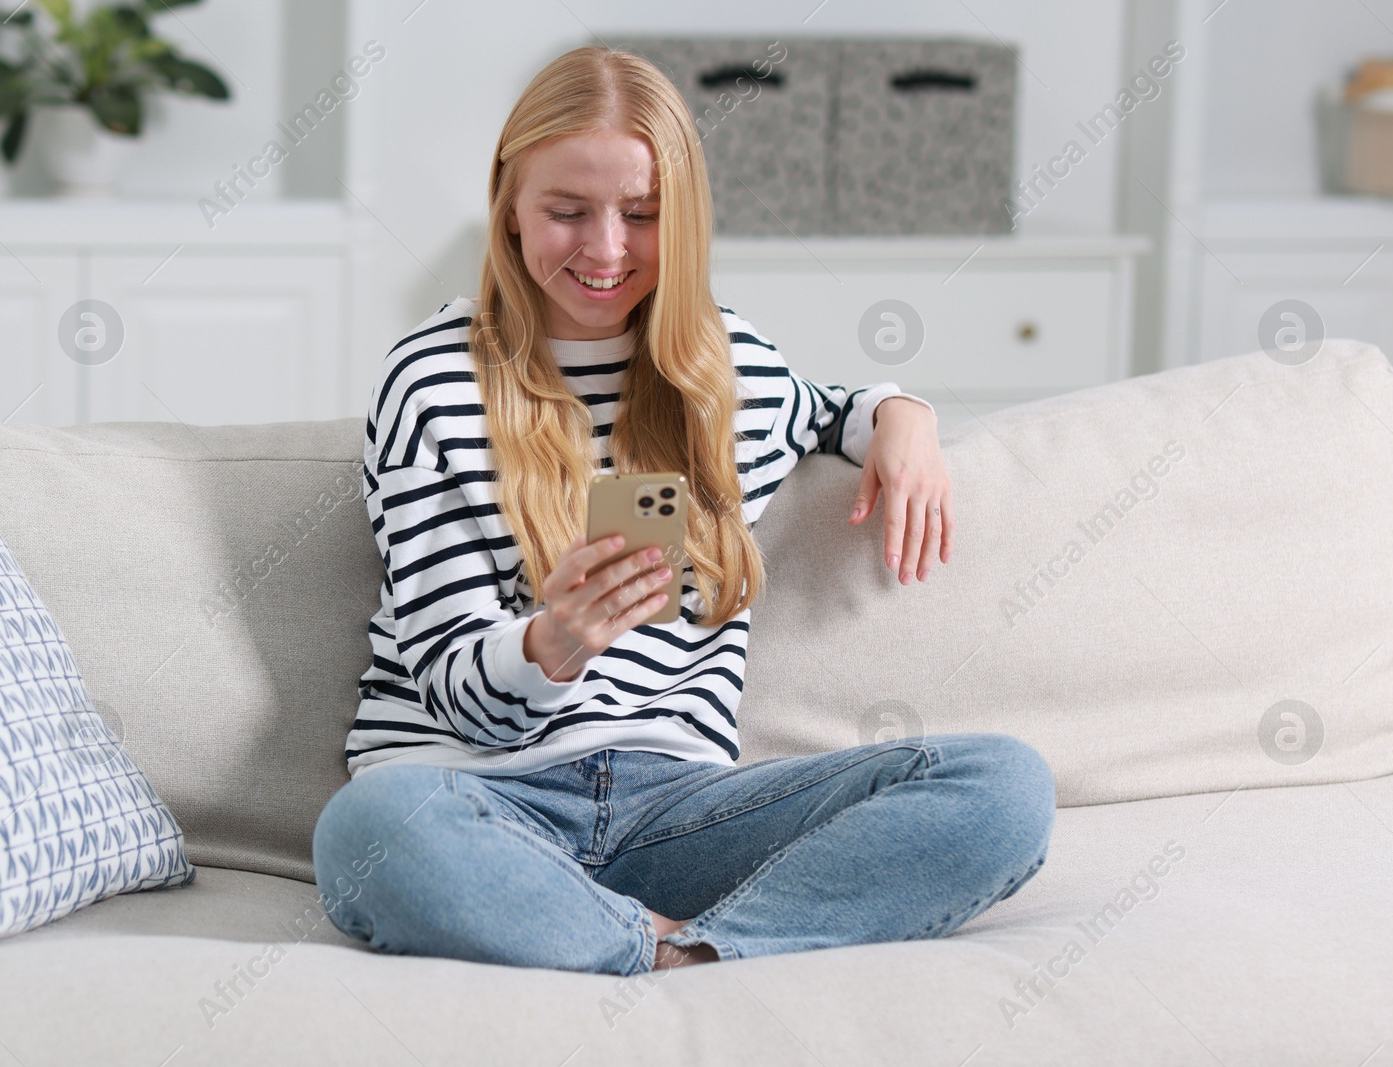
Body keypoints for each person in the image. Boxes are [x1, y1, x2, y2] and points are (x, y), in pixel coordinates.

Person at [312, 44, 1055, 977]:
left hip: (681, 811)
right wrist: (553, 643)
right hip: (476, 794)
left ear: (687, 217)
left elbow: (829, 408)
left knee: (1004, 786)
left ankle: (695, 945)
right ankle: (649, 944)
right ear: (507, 201)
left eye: (644, 214)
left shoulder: (727, 369)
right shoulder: (431, 380)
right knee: (366, 833)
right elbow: (453, 684)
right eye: (566, 212)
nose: (607, 249)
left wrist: (903, 414)